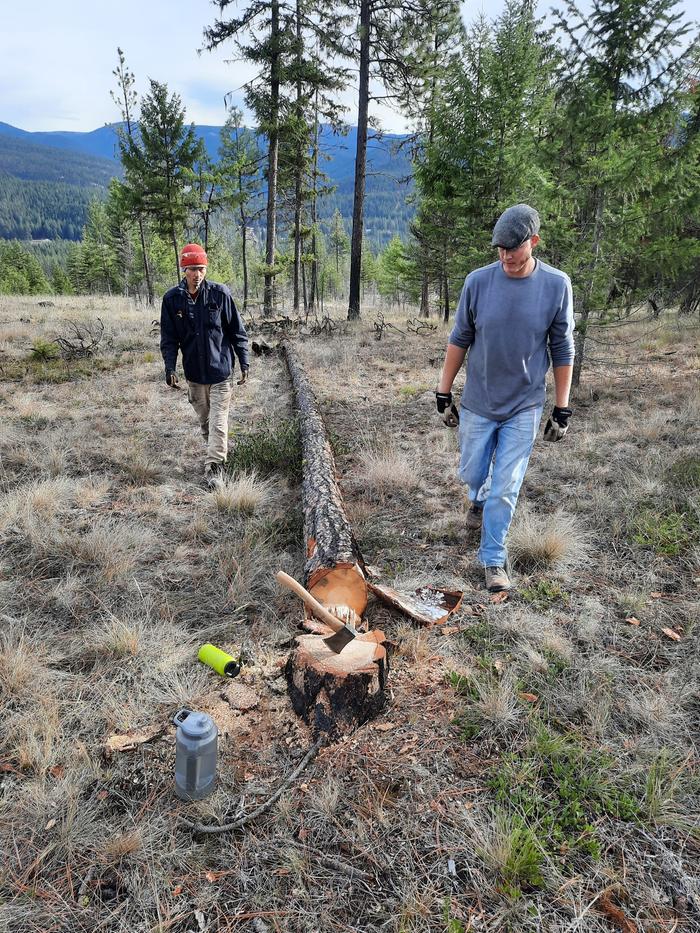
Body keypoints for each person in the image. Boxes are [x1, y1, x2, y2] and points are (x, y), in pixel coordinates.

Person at [436, 204, 575, 593]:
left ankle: (494, 559)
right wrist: (443, 391)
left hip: (524, 405)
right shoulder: (478, 282)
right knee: (474, 473)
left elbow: (562, 348)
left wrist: (561, 408)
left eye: (513, 248)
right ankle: (476, 499)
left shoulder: (555, 284)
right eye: (500, 249)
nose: (506, 257)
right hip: (479, 401)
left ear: (533, 242)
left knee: (507, 484)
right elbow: (459, 338)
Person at [160, 243, 250, 486]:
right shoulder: (172, 300)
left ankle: (216, 470)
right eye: (191, 269)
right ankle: (215, 458)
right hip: (194, 375)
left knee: (219, 422)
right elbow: (169, 339)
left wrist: (244, 362)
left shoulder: (221, 294)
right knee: (206, 421)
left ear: (206, 269)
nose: (196, 274)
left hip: (221, 372)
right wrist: (170, 367)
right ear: (184, 270)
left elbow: (237, 332)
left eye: (200, 268)